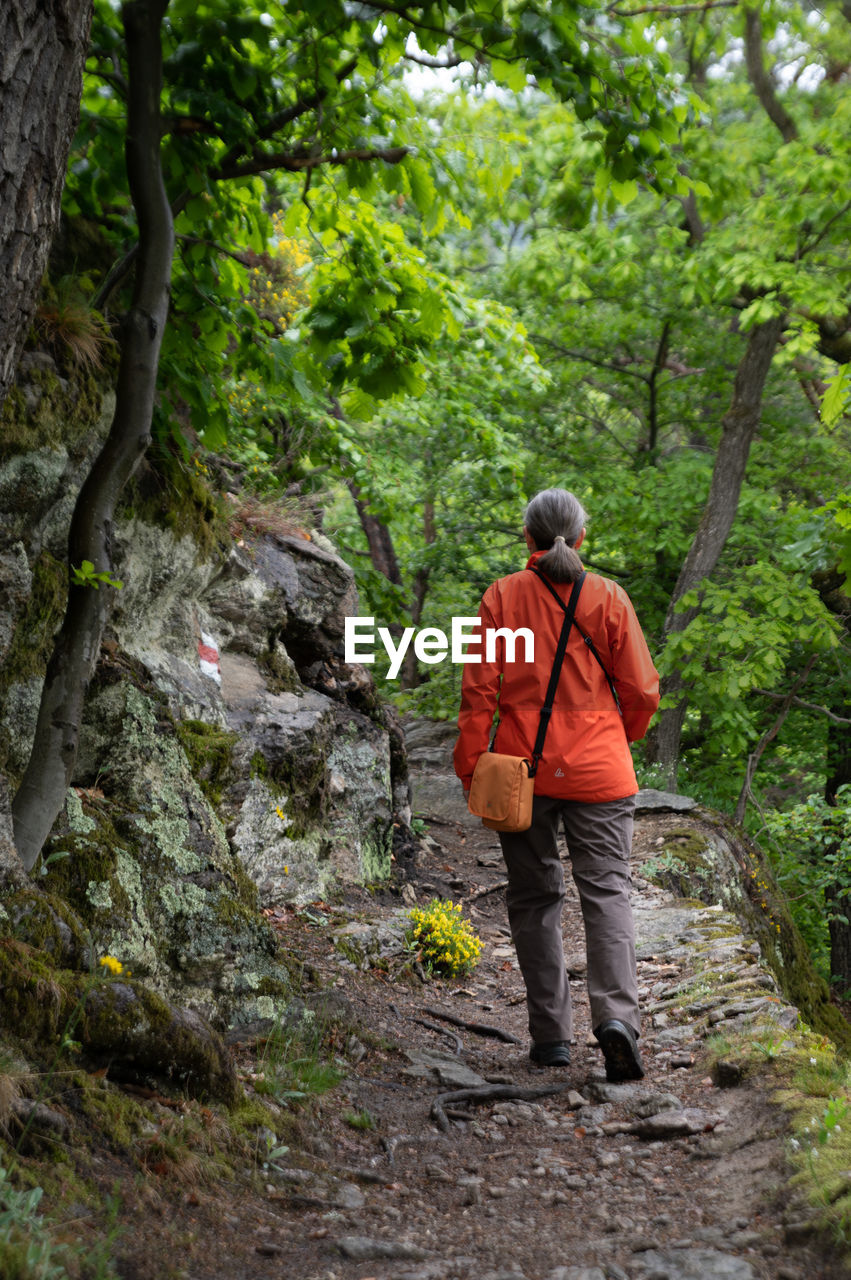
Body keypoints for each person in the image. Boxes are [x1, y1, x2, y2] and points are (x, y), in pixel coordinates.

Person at [453, 488, 660, 1079]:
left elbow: (479, 693)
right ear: (581, 538)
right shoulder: (609, 598)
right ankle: (618, 1020)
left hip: (524, 772)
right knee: (607, 894)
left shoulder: (502, 597)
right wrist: (620, 739)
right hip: (602, 772)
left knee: (534, 898)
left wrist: (472, 766)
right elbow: (642, 691)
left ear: (528, 539)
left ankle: (551, 1040)